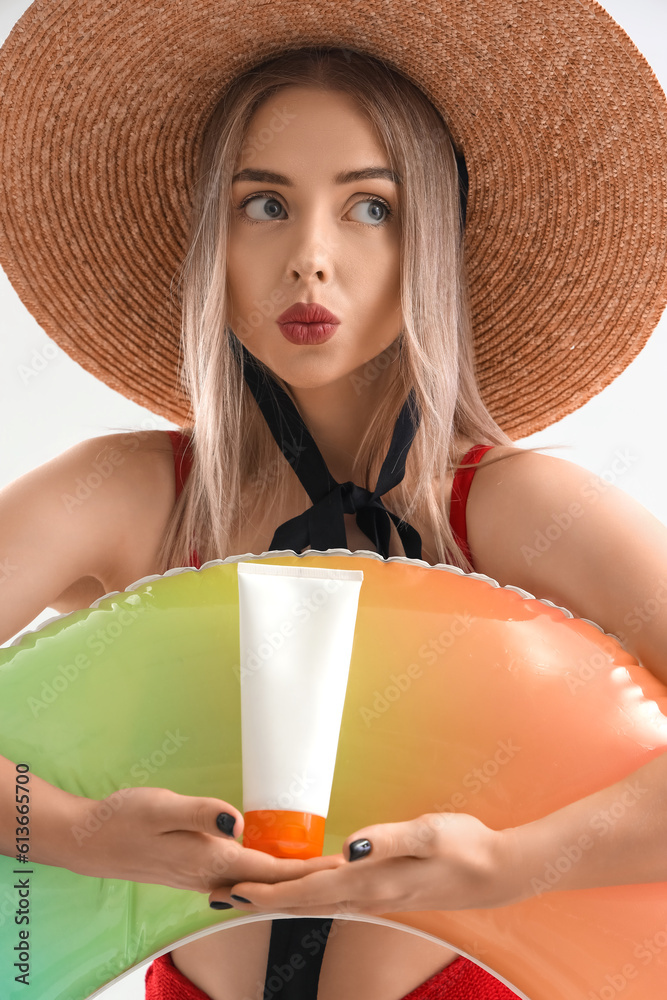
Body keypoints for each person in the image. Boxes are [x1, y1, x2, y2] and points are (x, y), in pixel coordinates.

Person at [1, 2, 667, 999]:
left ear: (430, 243)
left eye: (370, 207)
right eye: (263, 204)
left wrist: (515, 860)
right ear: (209, 243)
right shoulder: (125, 499)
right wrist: (74, 831)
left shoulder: (521, 512)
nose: (310, 256)